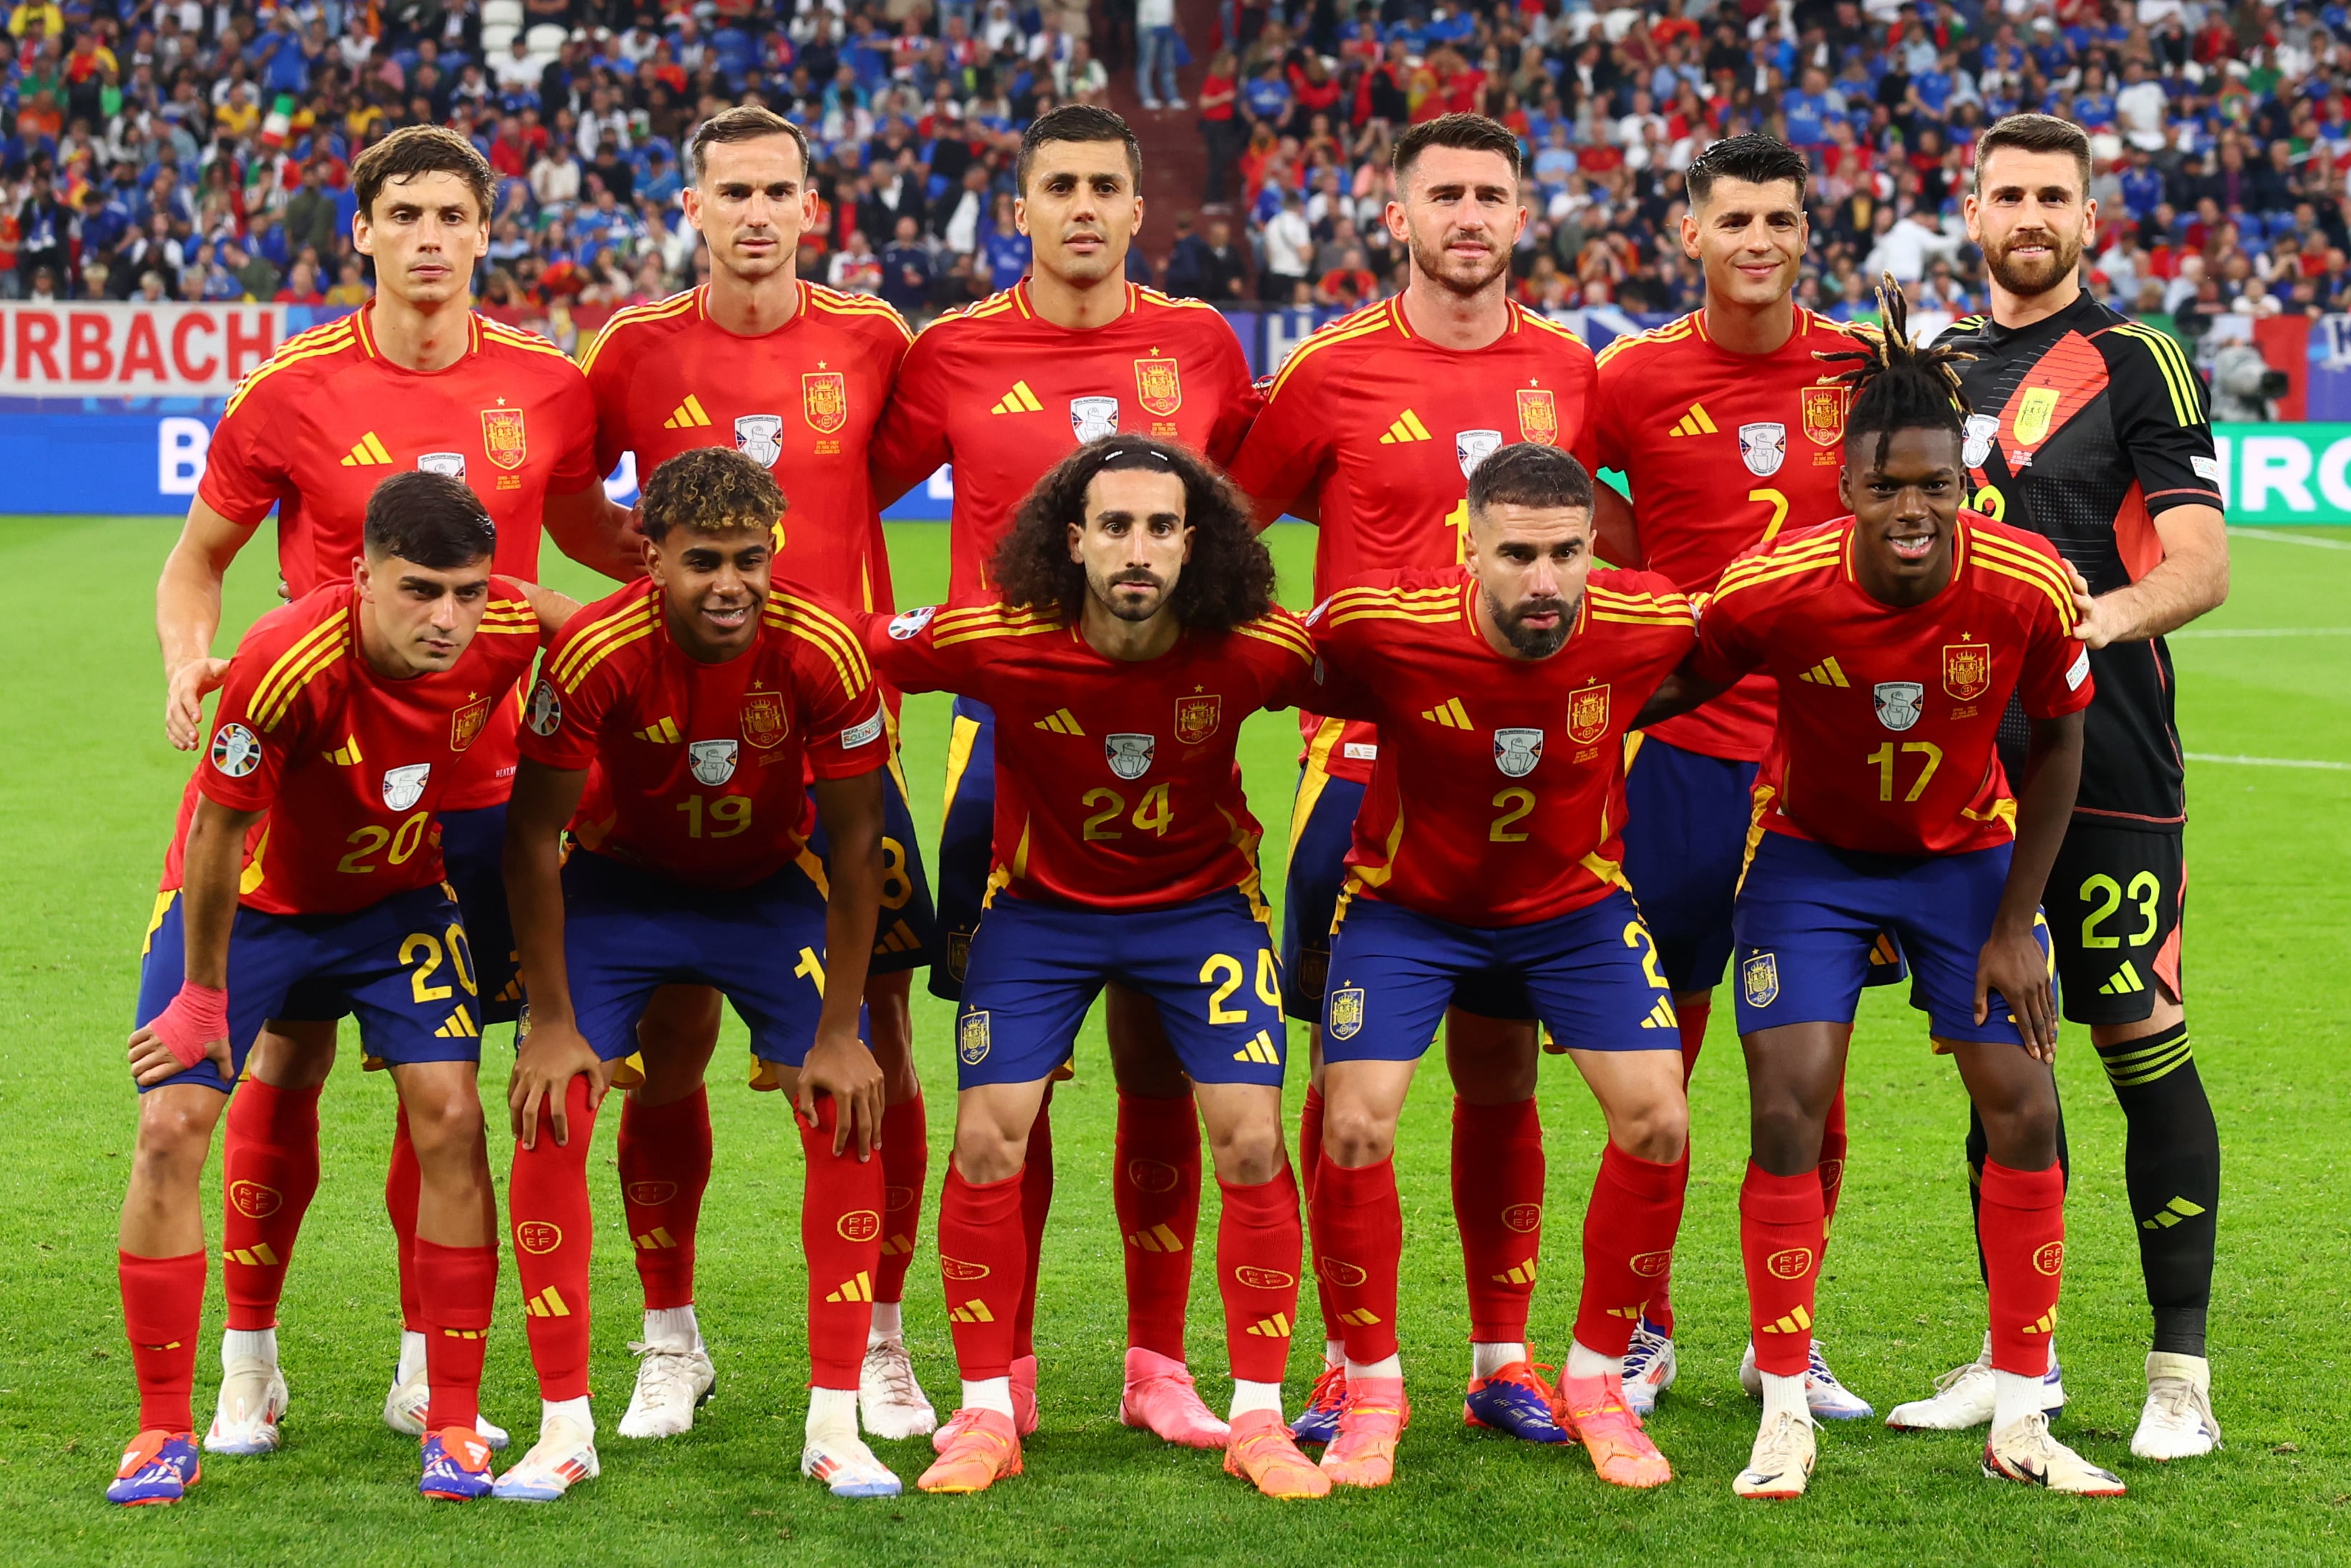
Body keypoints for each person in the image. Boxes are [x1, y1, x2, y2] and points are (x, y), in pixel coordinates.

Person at [156, 123, 635, 1461]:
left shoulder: (548, 384)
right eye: (404, 214)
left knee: (451, 1086)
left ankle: (432, 1361)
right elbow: (197, 560)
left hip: (488, 796)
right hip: (325, 783)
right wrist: (195, 662)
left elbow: (595, 537)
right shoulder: (292, 388)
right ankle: (249, 1361)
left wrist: (683, 584)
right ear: (361, 231)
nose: (430, 237)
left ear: (489, 233)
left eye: (454, 216)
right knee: (288, 1061)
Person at [1637, 280, 2117, 1499]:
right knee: (1788, 1105)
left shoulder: (2025, 582)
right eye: (1887, 485)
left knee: (2025, 1108)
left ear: (1965, 483)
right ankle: (1783, 1403)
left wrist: (2017, 924)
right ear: (1844, 487)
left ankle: (2021, 1410)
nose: (1913, 509)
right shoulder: (1771, 586)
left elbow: (2059, 740)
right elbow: (1678, 683)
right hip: (1811, 863)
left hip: (1966, 865)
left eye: (1934, 485)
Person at [870, 103, 1260, 1449]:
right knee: (1008, 1082)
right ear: (1019, 208)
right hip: (1006, 754)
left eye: (1105, 185)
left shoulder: (1203, 344)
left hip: (1169, 754)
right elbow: (834, 491)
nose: (1083, 205)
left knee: (1163, 1065)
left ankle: (1158, 1364)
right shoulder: (955, 351)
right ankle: (1009, 1370)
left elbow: (1242, 529)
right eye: (1059, 186)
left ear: (1138, 209)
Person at [1226, 111, 1603, 1448]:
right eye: (1441, 194)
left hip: (1519, 783)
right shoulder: (1327, 371)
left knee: (1501, 1074)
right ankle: (1347, 1358)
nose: (1467, 216)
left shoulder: (1570, 369)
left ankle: (1503, 1358)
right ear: (1395, 216)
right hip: (1366, 774)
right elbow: (1229, 530)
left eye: (1490, 195)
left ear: (1522, 215)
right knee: (1350, 1084)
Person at [859, 437, 1324, 1500]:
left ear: (1191, 543)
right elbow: (843, 649)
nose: (1137, 549)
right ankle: (985, 1410)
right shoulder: (996, 640)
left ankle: (1256, 1415)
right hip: (1042, 914)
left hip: (1200, 912)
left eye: (1160, 527)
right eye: (1114, 526)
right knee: (987, 1138)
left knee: (1249, 1136)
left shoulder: (1252, 648)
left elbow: (1387, 678)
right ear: (1071, 543)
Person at [578, 102, 943, 1446]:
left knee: (876, 1046)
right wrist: (653, 586)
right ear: (691, 207)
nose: (752, 212)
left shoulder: (872, 339)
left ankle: (886, 1345)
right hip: (673, 753)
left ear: (811, 207)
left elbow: (892, 468)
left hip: (843, 746)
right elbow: (571, 494)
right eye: (728, 190)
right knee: (665, 1045)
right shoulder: (629, 346)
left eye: (776, 190)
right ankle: (668, 1339)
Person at [110, 474, 571, 1506]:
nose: (447, 618)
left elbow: (554, 613)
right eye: (418, 591)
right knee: (173, 1124)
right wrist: (201, 995)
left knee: (452, 1114)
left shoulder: (496, 621)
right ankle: (160, 1426)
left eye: (465, 591)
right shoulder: (286, 658)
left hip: (395, 901)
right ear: (359, 576)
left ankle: (449, 1416)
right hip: (254, 902)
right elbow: (219, 834)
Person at [1905, 113, 2230, 1463]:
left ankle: (2178, 1374)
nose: (2026, 214)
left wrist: (2084, 624)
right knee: (1999, 1062)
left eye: (2052, 195)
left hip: (2108, 761)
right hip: (1960, 768)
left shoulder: (2140, 358)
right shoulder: (1924, 364)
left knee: (2135, 1040)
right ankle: (2007, 1355)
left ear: (2087, 218)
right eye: (2005, 194)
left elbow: (2200, 565)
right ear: (1968, 211)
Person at [496, 448, 896, 1501]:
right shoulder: (592, 650)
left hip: (768, 888)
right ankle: (564, 1423)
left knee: (846, 1100)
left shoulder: (823, 648)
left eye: (751, 559)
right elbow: (533, 838)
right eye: (705, 561)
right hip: (620, 889)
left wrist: (842, 1028)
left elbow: (857, 849)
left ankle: (835, 1422)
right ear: (652, 561)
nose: (732, 584)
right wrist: (547, 1017)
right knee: (554, 1100)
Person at [1302, 443, 1695, 1491]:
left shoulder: (1645, 620)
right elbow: (1263, 662)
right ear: (1467, 548)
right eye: (1516, 553)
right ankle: (1370, 1383)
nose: (1544, 579)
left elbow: (1745, 633)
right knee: (1353, 1117)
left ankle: (1596, 1379)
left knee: (1658, 1114)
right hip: (1406, 910)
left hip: (1570, 906)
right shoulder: (1379, 624)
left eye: (1567, 552)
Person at [1585, 133, 1876, 1421]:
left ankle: (1786, 1339)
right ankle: (1642, 1328)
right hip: (1685, 754)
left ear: (1806, 229)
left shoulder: (1864, 367)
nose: (1759, 239)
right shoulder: (1629, 376)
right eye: (1734, 219)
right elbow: (1566, 512)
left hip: (1826, 755)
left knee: (1812, 1072)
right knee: (1669, 1058)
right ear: (1689, 234)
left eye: (1781, 216)